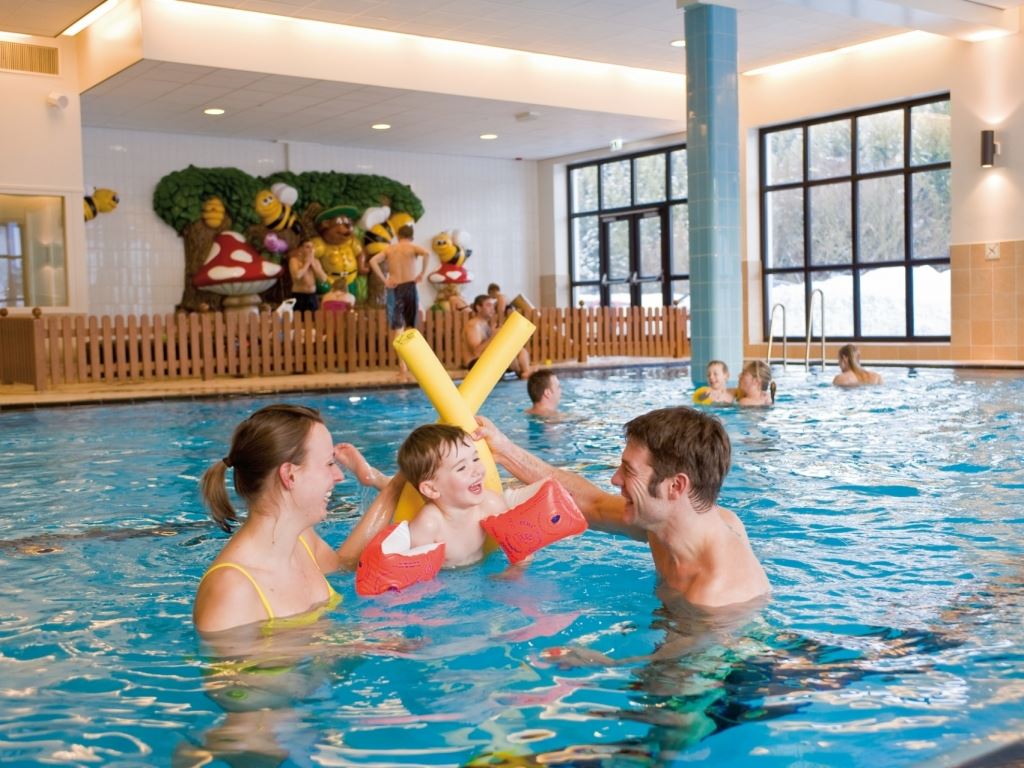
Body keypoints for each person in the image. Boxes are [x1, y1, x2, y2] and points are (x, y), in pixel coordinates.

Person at [474, 406, 770, 608]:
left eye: (629, 470)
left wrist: (598, 664)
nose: (615, 479)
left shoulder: (713, 594)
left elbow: (682, 674)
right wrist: (504, 450)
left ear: (675, 486)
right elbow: (592, 503)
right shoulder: (664, 523)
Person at [193, 404, 402, 634]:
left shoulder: (301, 540)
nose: (339, 476)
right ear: (290, 475)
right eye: (329, 464)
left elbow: (345, 565)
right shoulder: (232, 592)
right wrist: (360, 643)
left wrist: (393, 488)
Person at [369, 224, 430, 379]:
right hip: (409, 286)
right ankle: (414, 364)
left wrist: (384, 280)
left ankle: (402, 366)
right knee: (410, 326)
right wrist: (422, 274)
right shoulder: (413, 247)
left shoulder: (390, 249)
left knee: (398, 327)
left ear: (398, 235)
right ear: (412, 236)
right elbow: (427, 253)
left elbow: (373, 261)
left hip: (394, 287)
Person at [463, 294, 532, 379]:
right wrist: (493, 336)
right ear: (478, 308)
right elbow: (476, 352)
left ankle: (525, 372)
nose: (492, 308)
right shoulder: (473, 326)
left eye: (493, 305)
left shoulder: (486, 324)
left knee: (518, 348)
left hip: (487, 360)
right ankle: (523, 373)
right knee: (508, 352)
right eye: (488, 305)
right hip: (475, 364)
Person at [287, 239, 328, 314]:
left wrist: (313, 265)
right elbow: (297, 276)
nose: (311, 250)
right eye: (308, 247)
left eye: (312, 247)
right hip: (299, 295)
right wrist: (307, 263)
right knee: (298, 319)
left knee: (313, 319)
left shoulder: (316, 261)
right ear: (300, 249)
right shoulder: (294, 260)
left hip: (312, 295)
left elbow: (323, 279)